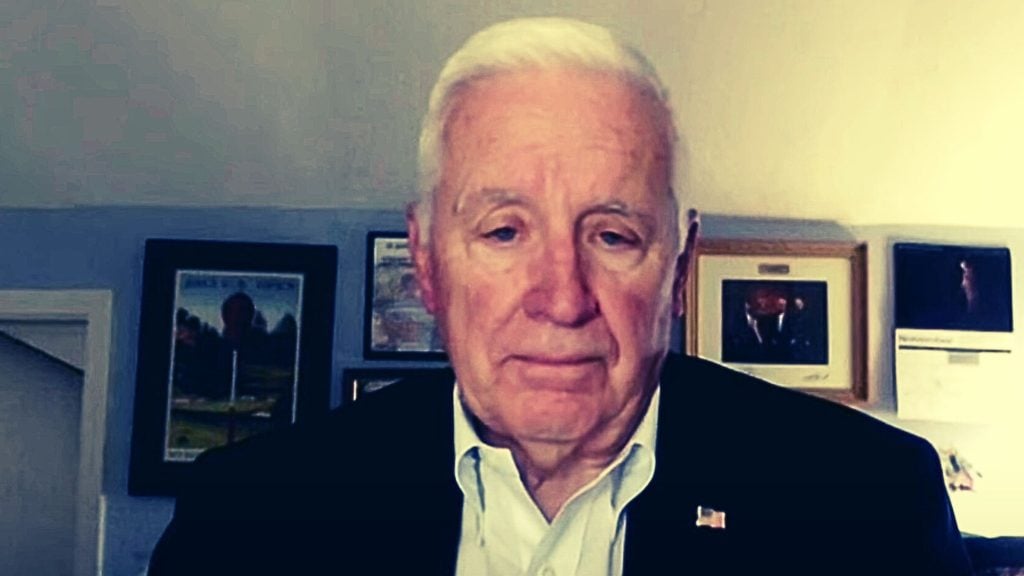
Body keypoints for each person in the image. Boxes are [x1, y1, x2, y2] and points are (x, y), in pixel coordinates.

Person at [148, 17, 972, 575]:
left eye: (612, 236)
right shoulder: (246, 520)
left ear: (679, 269)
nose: (561, 298)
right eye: (504, 232)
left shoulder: (870, 506)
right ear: (428, 261)